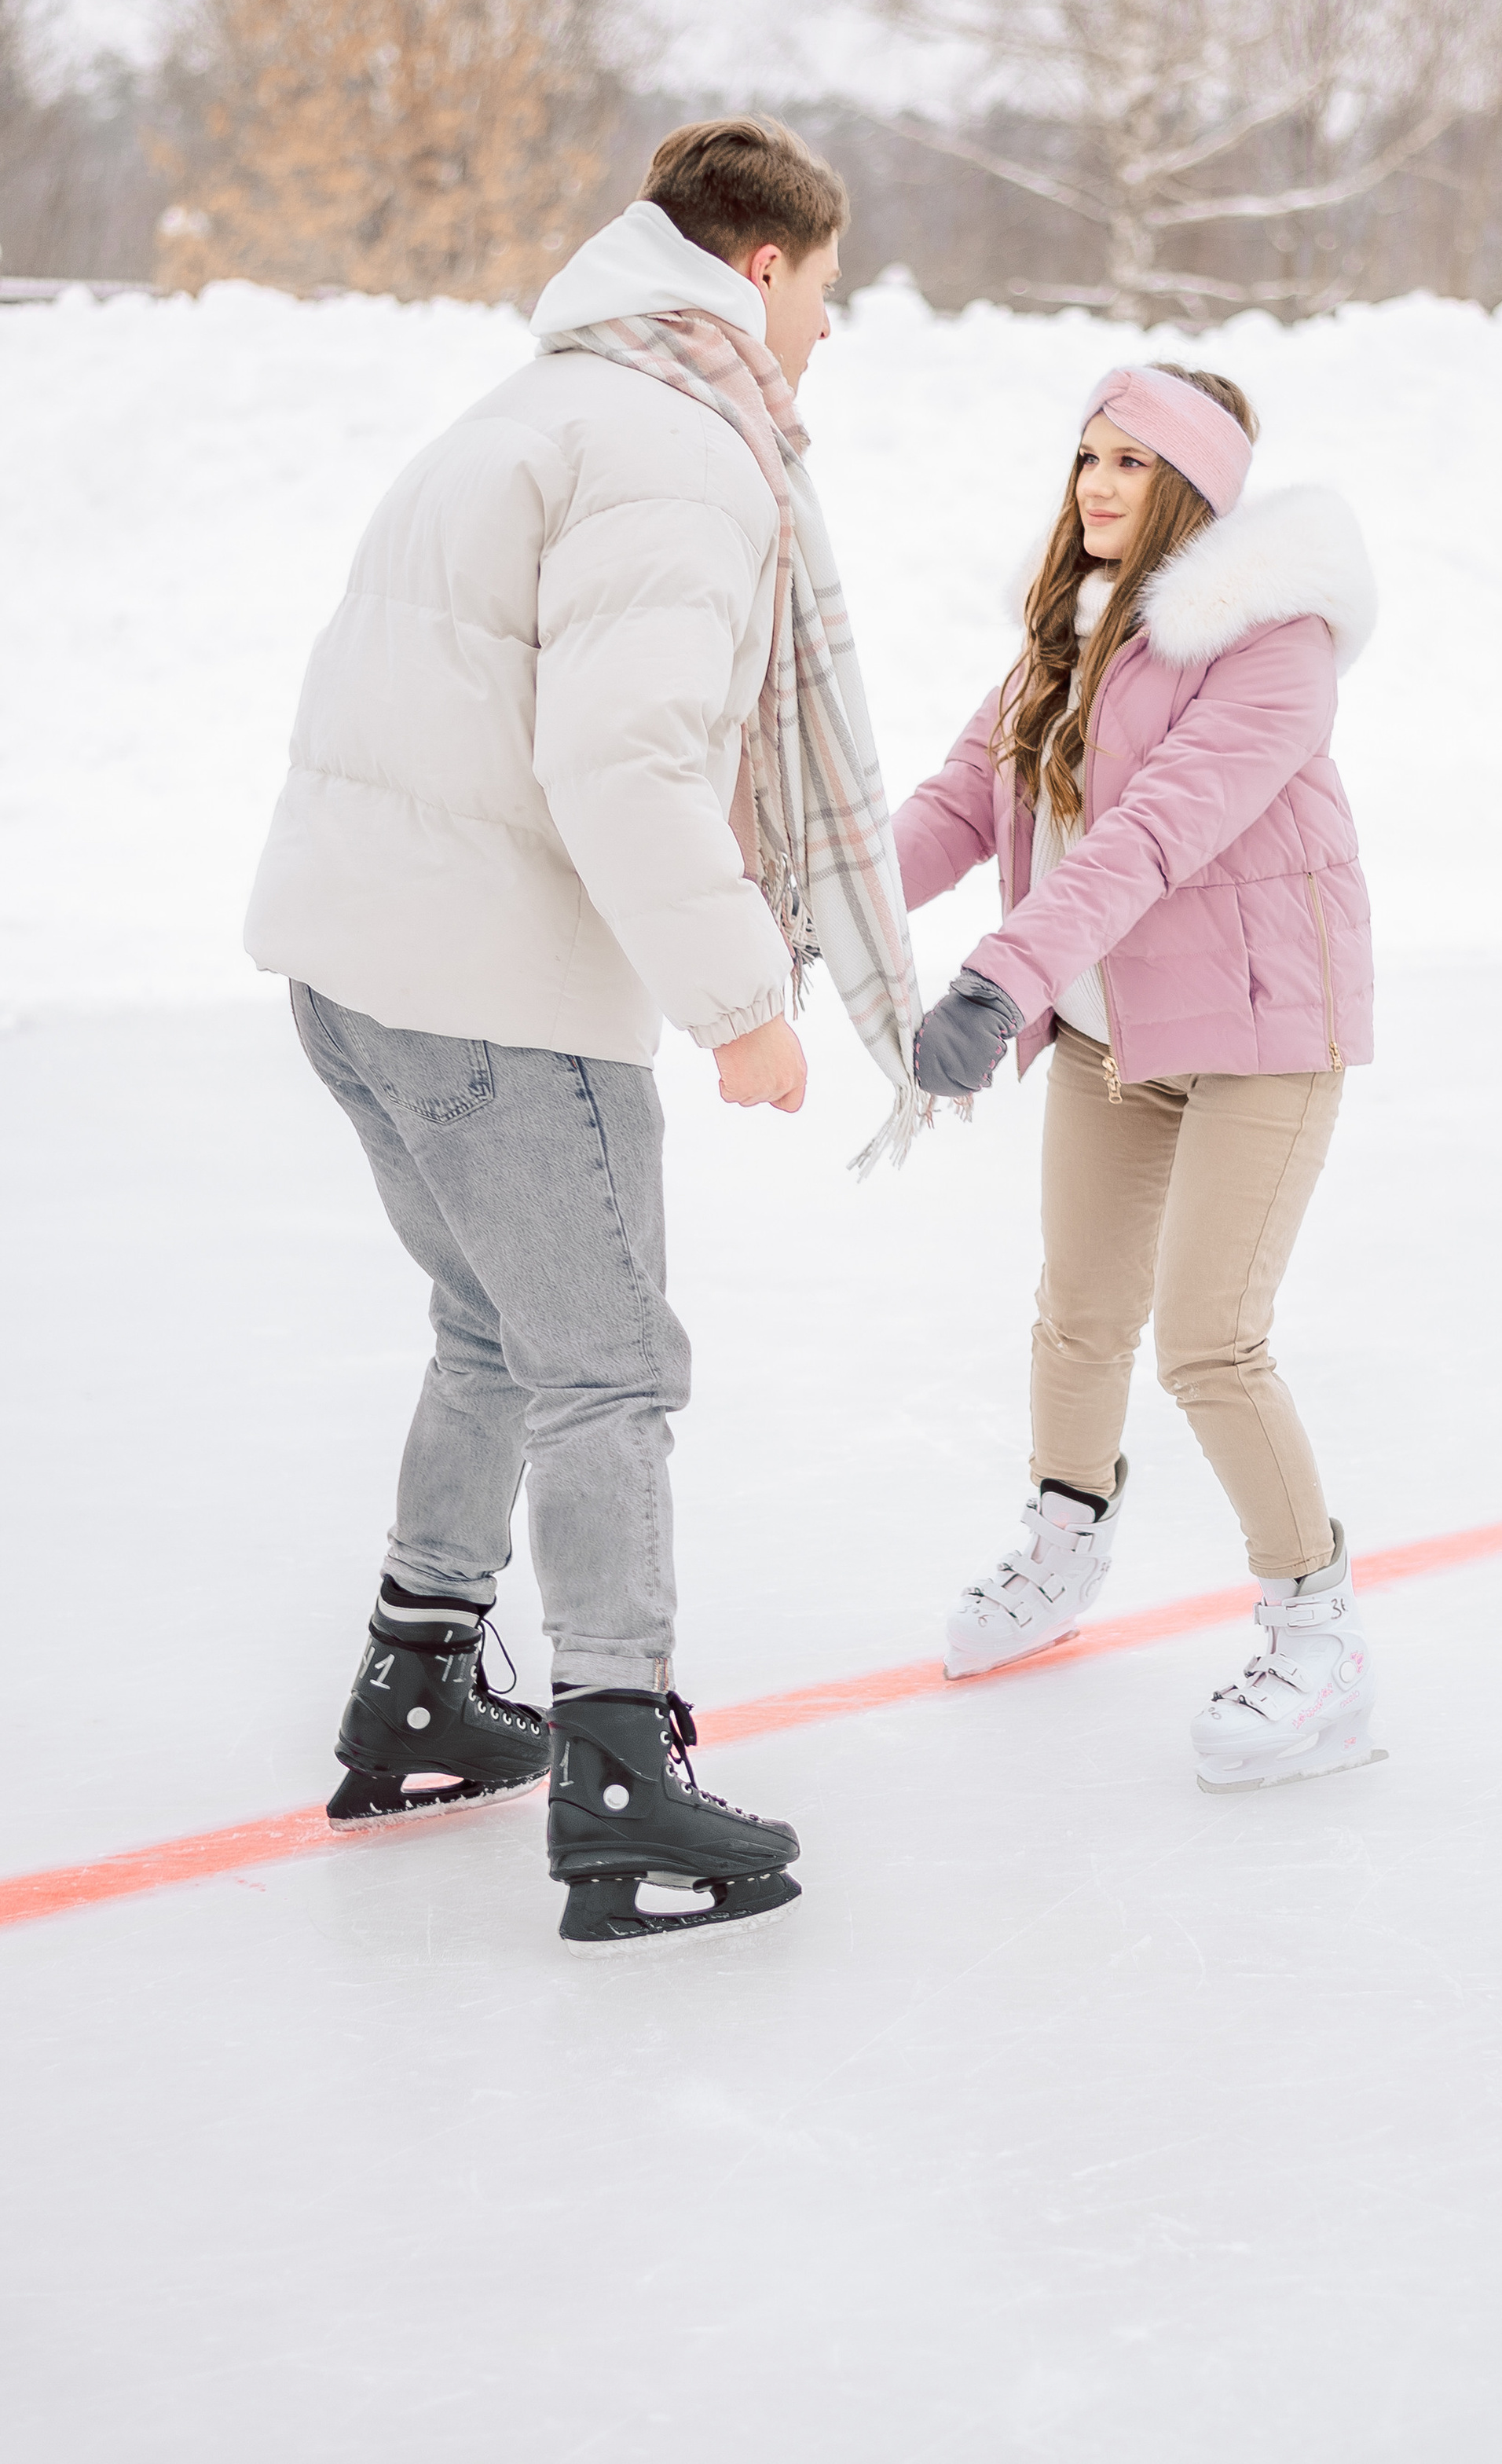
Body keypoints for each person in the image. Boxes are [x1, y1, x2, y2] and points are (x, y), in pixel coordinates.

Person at [244, 116, 924, 1947]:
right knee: (608, 1367)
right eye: (827, 288)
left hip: (355, 971)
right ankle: (619, 1772)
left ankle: (418, 1682)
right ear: (760, 270)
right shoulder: (678, 451)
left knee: (494, 1331)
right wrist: (741, 1004)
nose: (828, 330)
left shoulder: (536, 400)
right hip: (493, 994)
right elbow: (620, 761)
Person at [894, 364, 1380, 1791]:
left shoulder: (1275, 645)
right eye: (1086, 457)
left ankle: (1319, 1634)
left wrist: (1000, 980)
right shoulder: (1068, 635)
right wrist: (805, 904)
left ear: (1196, 489)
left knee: (1209, 1343)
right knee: (1081, 1313)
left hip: (1263, 1035)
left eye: (1132, 462)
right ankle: (1064, 1545)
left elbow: (1153, 834)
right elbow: (959, 803)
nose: (1097, 484)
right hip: (1116, 1037)